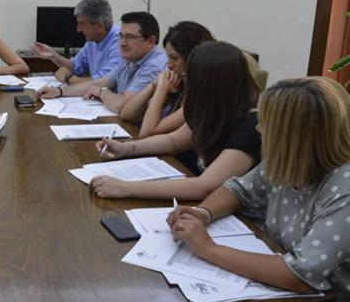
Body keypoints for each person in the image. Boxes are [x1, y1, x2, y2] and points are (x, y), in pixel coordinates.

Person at [167, 77, 350, 302]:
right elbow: (238, 190)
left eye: (266, 122)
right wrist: (203, 213)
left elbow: (300, 274)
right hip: (278, 300)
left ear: (292, 135)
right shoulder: (287, 161)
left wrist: (207, 248)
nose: (258, 129)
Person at [90, 41, 260, 200]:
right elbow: (174, 141)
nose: (185, 77)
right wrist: (126, 149)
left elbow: (204, 186)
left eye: (192, 76)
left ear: (211, 85)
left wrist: (126, 188)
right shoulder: (214, 111)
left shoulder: (250, 127)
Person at [37, 12, 167, 114]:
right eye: (121, 36)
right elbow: (98, 83)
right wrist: (59, 91)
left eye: (130, 37)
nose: (122, 43)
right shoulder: (130, 58)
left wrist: (101, 92)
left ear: (151, 41)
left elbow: (122, 106)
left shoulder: (154, 65)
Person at [120, 21, 214, 137]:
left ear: (192, 58)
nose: (169, 65)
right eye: (167, 57)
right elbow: (127, 114)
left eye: (174, 58)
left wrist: (161, 88)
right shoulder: (178, 83)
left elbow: (147, 132)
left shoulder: (202, 94)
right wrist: (154, 84)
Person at [31, 0, 121, 84]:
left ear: (100, 26)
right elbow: (76, 67)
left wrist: (68, 78)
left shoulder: (121, 44)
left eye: (82, 23)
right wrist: (54, 56)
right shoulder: (93, 41)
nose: (78, 29)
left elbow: (101, 83)